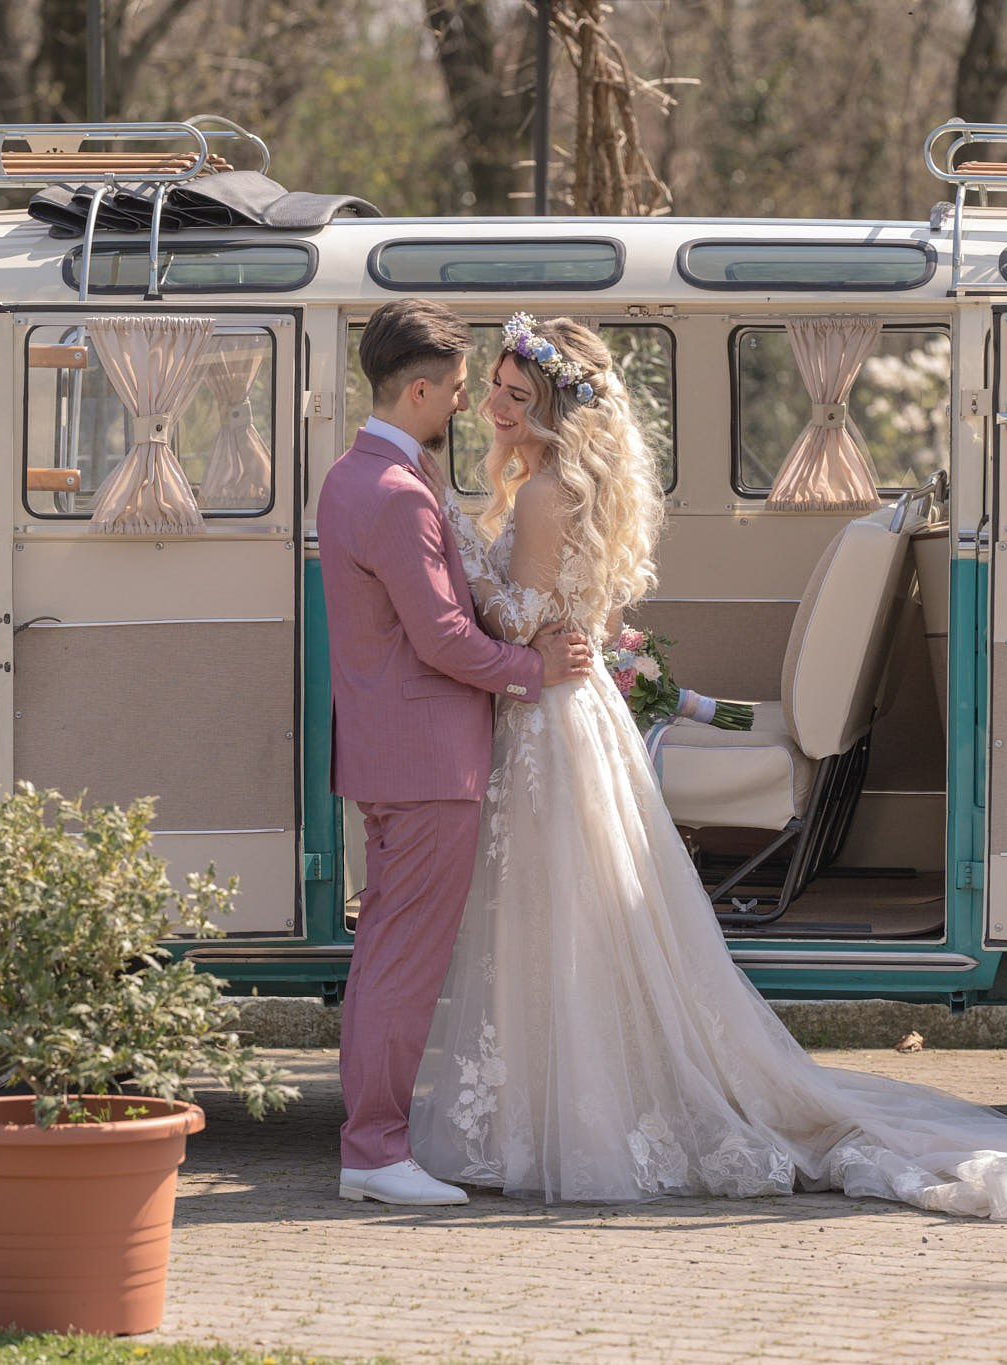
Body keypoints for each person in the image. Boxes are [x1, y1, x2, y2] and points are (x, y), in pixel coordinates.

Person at [405, 313, 1007, 1219]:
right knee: (566, 923)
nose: (498, 411)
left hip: (551, 717)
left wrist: (457, 546)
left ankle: (547, 1117)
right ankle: (551, 1107)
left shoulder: (546, 494)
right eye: (498, 394)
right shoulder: (563, 486)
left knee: (553, 919)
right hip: (571, 715)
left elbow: (517, 616)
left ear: (554, 408)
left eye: (517, 397)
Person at [315, 299, 596, 1207]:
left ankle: (372, 1142)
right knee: (405, 960)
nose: (471, 404)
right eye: (465, 388)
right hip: (430, 759)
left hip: (387, 752)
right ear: (423, 388)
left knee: (383, 955)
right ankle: (375, 1150)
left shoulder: (352, 476)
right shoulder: (398, 494)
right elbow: (440, 637)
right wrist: (532, 667)